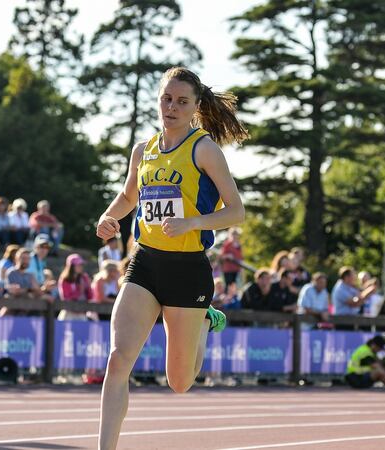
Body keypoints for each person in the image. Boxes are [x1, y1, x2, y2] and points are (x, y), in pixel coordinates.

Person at [95, 66, 248, 450]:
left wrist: (192, 222)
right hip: (144, 264)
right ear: (158, 99)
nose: (172, 107)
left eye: (182, 101)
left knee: (179, 382)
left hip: (188, 270)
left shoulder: (204, 149)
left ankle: (204, 325)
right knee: (117, 360)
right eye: (166, 99)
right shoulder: (142, 150)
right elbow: (129, 197)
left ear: (196, 106)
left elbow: (236, 211)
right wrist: (109, 216)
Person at [58, 253, 94, 321]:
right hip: (69, 312)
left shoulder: (84, 277)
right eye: (78, 265)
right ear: (71, 266)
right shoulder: (65, 280)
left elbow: (90, 296)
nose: (80, 267)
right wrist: (79, 291)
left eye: (81, 265)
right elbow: (66, 298)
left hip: (82, 313)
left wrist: (88, 287)